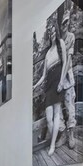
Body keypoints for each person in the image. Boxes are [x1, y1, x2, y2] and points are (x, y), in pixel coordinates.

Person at [33, 17, 69, 156]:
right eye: (50, 33)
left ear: (56, 32)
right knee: (49, 118)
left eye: (54, 32)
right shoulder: (48, 52)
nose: (52, 34)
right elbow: (43, 75)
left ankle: (52, 145)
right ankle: (56, 138)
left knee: (56, 114)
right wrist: (35, 85)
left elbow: (65, 62)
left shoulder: (61, 43)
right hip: (48, 84)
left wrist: (61, 82)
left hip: (57, 81)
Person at [61, 11, 77, 149]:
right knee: (60, 107)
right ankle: (63, 133)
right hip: (59, 79)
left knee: (70, 106)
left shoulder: (71, 36)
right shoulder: (59, 40)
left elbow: (68, 60)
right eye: (63, 22)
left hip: (67, 77)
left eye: (67, 22)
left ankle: (71, 133)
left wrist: (62, 79)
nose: (65, 25)